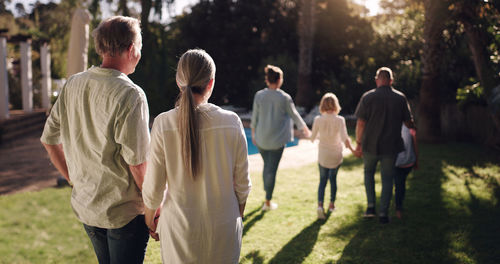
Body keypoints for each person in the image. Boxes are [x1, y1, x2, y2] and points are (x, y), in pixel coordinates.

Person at [40, 16, 150, 263]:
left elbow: (49, 139)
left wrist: (71, 178)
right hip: (124, 214)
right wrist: (156, 206)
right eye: (140, 46)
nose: (140, 53)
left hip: (87, 208)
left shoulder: (73, 84)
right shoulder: (131, 94)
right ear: (131, 48)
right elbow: (138, 164)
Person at [142, 49, 251, 264]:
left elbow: (153, 189)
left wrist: (150, 222)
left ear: (178, 81)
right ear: (211, 83)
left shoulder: (164, 124)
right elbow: (242, 186)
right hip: (224, 229)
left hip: (180, 232)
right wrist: (235, 216)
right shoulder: (231, 122)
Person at [353, 67, 415, 224]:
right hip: (391, 146)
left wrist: (358, 143)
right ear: (391, 81)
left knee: (369, 174)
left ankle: (370, 207)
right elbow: (409, 123)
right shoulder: (400, 98)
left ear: (377, 80)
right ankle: (383, 214)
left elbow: (360, 123)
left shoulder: (368, 97)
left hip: (369, 145)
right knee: (388, 178)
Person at [251, 65, 311, 211]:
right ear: (279, 80)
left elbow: (255, 118)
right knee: (272, 169)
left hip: (261, 140)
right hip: (277, 141)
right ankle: (267, 201)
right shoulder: (284, 97)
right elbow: (295, 115)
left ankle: (266, 195)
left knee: (267, 167)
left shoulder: (259, 95)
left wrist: (253, 135)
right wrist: (305, 129)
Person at [310, 93, 354, 219]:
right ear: (336, 105)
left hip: (323, 155)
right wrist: (353, 150)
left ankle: (319, 205)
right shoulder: (340, 120)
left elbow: (312, 138)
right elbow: (345, 139)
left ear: (322, 105)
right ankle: (331, 205)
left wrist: (310, 134)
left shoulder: (318, 120)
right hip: (335, 155)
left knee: (322, 181)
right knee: (333, 180)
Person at [394, 124, 418, 219]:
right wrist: (416, 161)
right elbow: (415, 145)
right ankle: (398, 207)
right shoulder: (411, 127)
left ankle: (398, 208)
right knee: (401, 185)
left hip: (397, 163)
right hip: (409, 161)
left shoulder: (392, 125)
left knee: (399, 186)